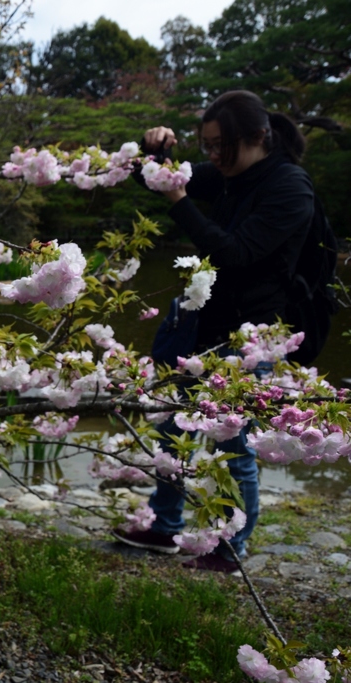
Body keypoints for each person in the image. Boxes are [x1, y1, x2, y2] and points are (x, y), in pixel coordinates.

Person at [111, 90, 317, 575]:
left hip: (248, 337)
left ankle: (231, 544)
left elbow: (235, 253)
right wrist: (156, 151)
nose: (212, 157)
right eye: (205, 146)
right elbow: (160, 179)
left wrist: (180, 201)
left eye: (222, 146)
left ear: (258, 139)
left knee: (231, 443)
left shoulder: (290, 188)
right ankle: (165, 526)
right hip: (196, 323)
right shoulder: (226, 175)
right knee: (168, 426)